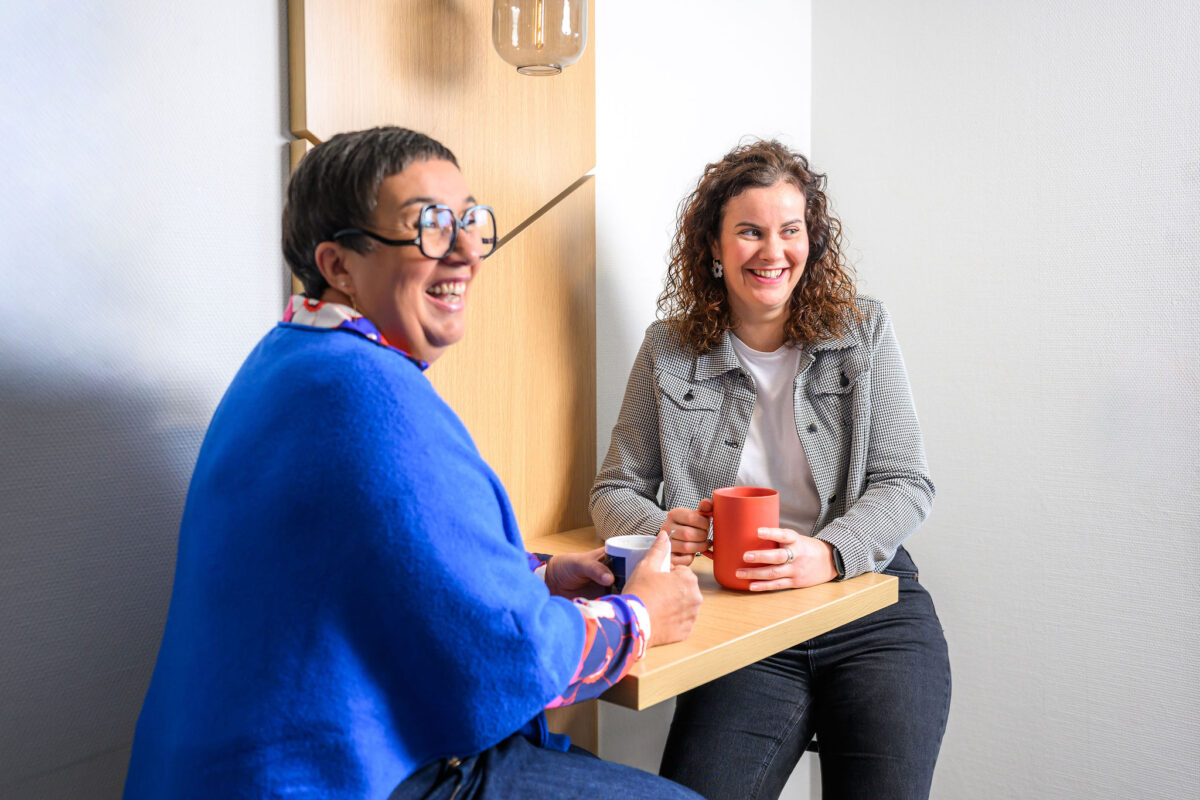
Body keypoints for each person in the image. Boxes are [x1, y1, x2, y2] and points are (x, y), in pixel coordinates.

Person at [123, 126, 703, 800]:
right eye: (429, 225)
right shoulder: (368, 396)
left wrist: (538, 577)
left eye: (468, 221)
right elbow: (503, 660)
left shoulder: (289, 360)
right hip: (328, 778)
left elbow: (390, 562)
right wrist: (642, 617)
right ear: (339, 265)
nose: (466, 252)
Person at [590, 140, 951, 800]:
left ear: (811, 241)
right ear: (714, 245)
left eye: (790, 230)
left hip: (870, 609)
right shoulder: (668, 348)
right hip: (743, 624)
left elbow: (906, 482)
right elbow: (615, 488)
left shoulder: (863, 329)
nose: (772, 251)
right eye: (749, 231)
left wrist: (829, 554)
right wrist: (665, 529)